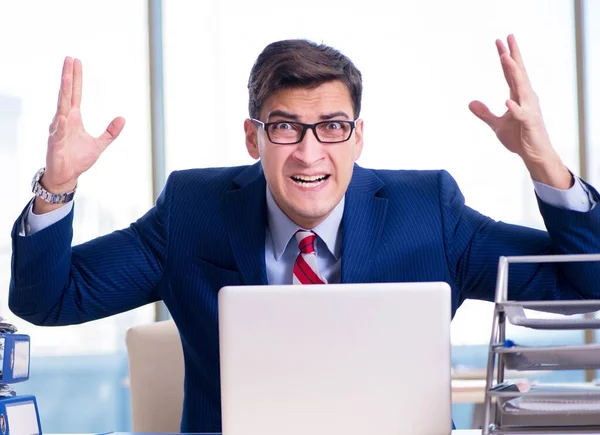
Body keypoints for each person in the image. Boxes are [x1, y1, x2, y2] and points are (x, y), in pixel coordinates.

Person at [8, 36, 600, 432]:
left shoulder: (428, 211)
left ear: (359, 137)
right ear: (253, 138)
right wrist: (56, 187)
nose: (310, 152)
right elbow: (49, 299)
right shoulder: (194, 210)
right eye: (286, 128)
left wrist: (545, 164)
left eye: (333, 127)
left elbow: (586, 287)